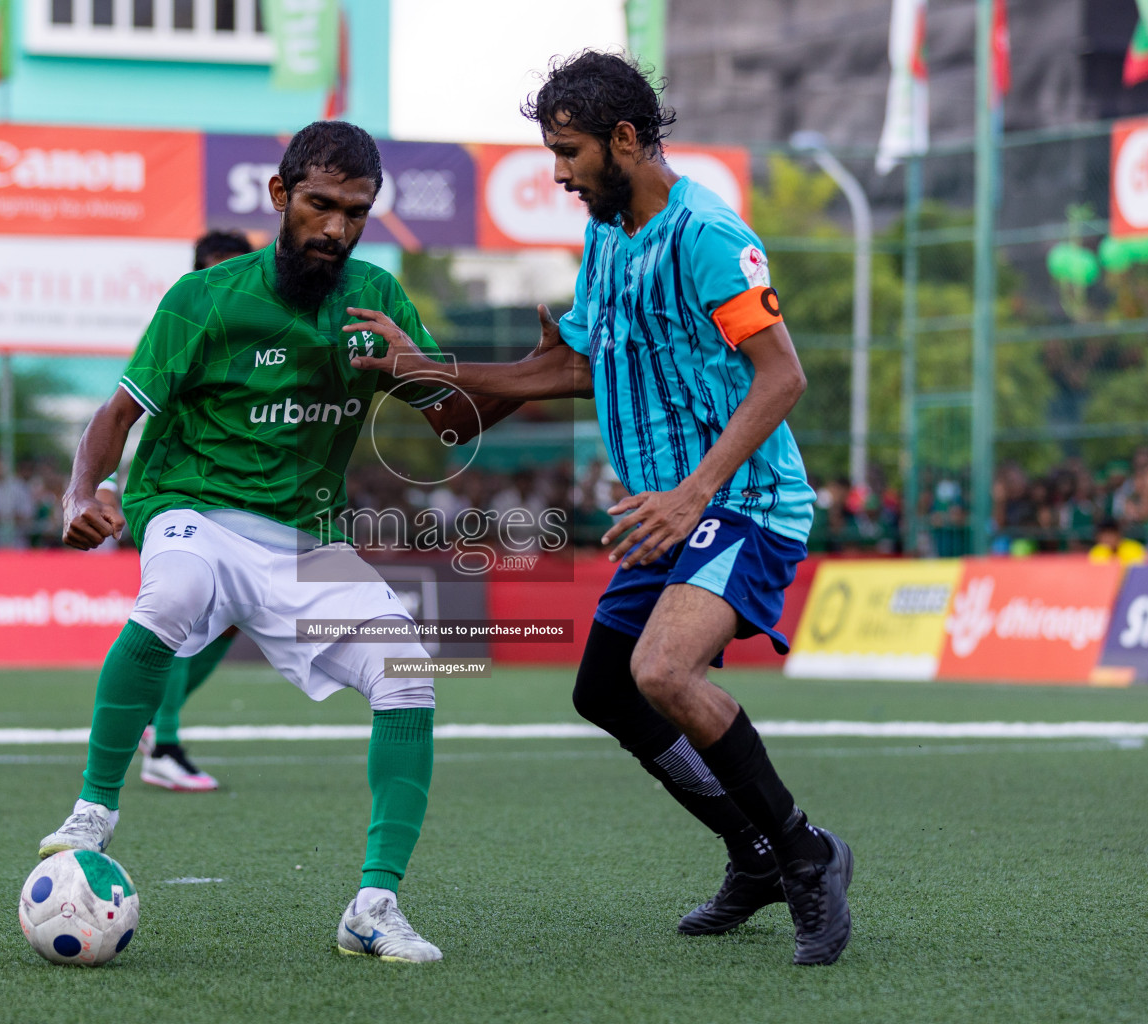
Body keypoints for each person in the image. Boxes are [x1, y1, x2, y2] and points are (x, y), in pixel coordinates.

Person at [353, 51, 852, 966]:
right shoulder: (609, 237)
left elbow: (784, 376)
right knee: (604, 691)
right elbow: (575, 368)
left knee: (663, 673)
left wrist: (693, 491)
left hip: (739, 500)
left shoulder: (706, 231)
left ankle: (805, 855)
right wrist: (422, 369)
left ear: (627, 138)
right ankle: (750, 852)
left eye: (570, 151)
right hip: (664, 511)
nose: (558, 172)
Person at [38, 121, 534, 963]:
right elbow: (116, 415)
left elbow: (455, 423)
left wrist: (419, 367)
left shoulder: (376, 298)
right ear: (280, 197)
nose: (336, 227)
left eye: (355, 211)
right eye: (319, 204)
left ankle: (373, 907)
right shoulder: (206, 298)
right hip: (192, 505)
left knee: (408, 678)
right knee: (178, 593)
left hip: (303, 536)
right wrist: (82, 495)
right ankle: (95, 807)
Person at [98, 223, 259, 794]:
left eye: (235, 270)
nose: (224, 282)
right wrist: (105, 487)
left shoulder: (261, 336)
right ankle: (163, 744)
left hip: (233, 497)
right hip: (172, 492)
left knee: (234, 614)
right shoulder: (184, 321)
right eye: (213, 269)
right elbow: (125, 412)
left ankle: (149, 719)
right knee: (184, 610)